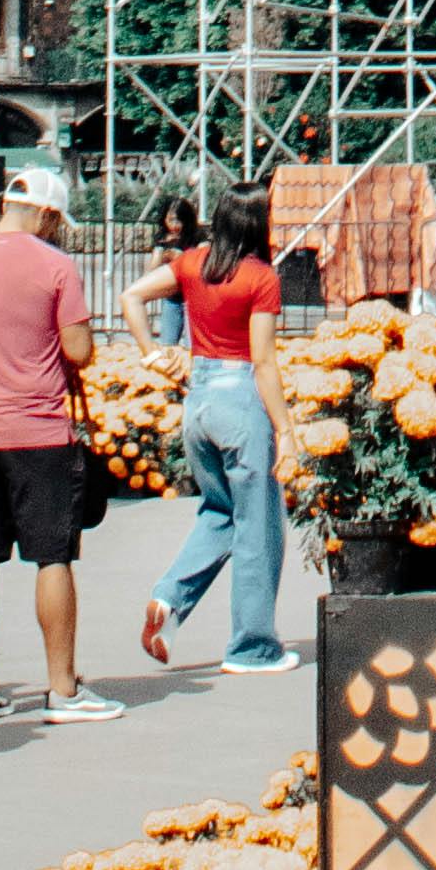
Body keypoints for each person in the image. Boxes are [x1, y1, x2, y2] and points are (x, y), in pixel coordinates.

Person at [0, 179, 114, 722]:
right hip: (36, 428)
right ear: (46, 214)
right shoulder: (54, 264)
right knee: (53, 557)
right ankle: (62, 689)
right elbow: (78, 349)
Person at [135, 186, 292, 671]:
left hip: (199, 398)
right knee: (260, 527)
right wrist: (286, 429)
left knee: (221, 511)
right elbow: (263, 362)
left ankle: (170, 597)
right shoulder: (260, 277)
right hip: (241, 399)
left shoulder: (192, 263)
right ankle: (252, 646)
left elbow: (131, 295)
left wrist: (152, 352)